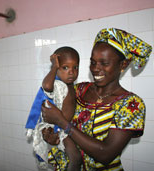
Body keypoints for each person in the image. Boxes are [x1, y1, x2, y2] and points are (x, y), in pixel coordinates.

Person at [41, 28, 152, 171]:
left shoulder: (131, 104)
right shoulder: (78, 90)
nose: (95, 69)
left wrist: (62, 122)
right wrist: (51, 136)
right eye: (93, 63)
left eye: (104, 63)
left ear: (122, 65)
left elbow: (105, 154)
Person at [25, 46, 81, 170]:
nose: (71, 72)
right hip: (59, 129)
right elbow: (46, 86)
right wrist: (54, 67)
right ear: (57, 68)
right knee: (75, 157)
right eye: (65, 67)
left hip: (67, 128)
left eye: (75, 67)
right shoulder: (57, 84)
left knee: (73, 158)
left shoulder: (72, 86)